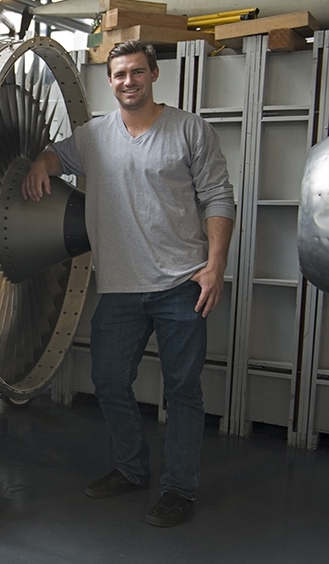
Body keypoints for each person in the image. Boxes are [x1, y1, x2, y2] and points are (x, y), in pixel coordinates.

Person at [22, 41, 235, 527]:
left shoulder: (188, 129)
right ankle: (131, 468)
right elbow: (59, 156)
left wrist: (215, 265)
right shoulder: (94, 136)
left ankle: (179, 489)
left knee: (182, 390)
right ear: (110, 80)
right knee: (109, 381)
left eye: (137, 72)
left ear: (154, 75)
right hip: (119, 286)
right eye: (119, 75)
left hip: (182, 283)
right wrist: (41, 162)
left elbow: (220, 197)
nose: (128, 82)